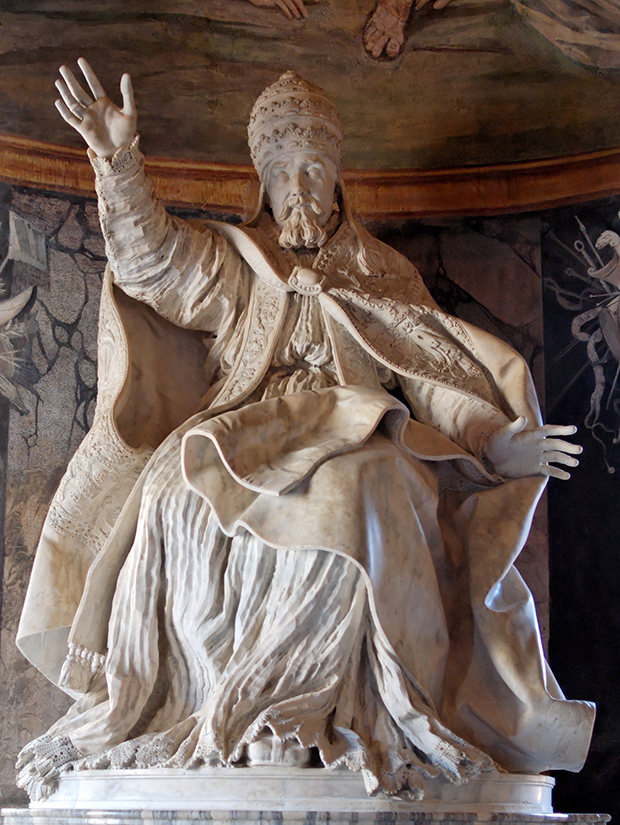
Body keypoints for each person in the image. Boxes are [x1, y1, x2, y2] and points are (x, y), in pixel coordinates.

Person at [16, 61, 594, 803]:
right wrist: (117, 160)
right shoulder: (234, 262)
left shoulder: (381, 272)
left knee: (369, 484)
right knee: (176, 493)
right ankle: (221, 708)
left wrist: (491, 439)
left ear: (338, 179)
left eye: (314, 168)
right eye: (284, 170)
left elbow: (433, 372)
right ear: (262, 182)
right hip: (240, 430)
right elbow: (152, 262)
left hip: (361, 430)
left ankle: (322, 710)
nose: (300, 186)